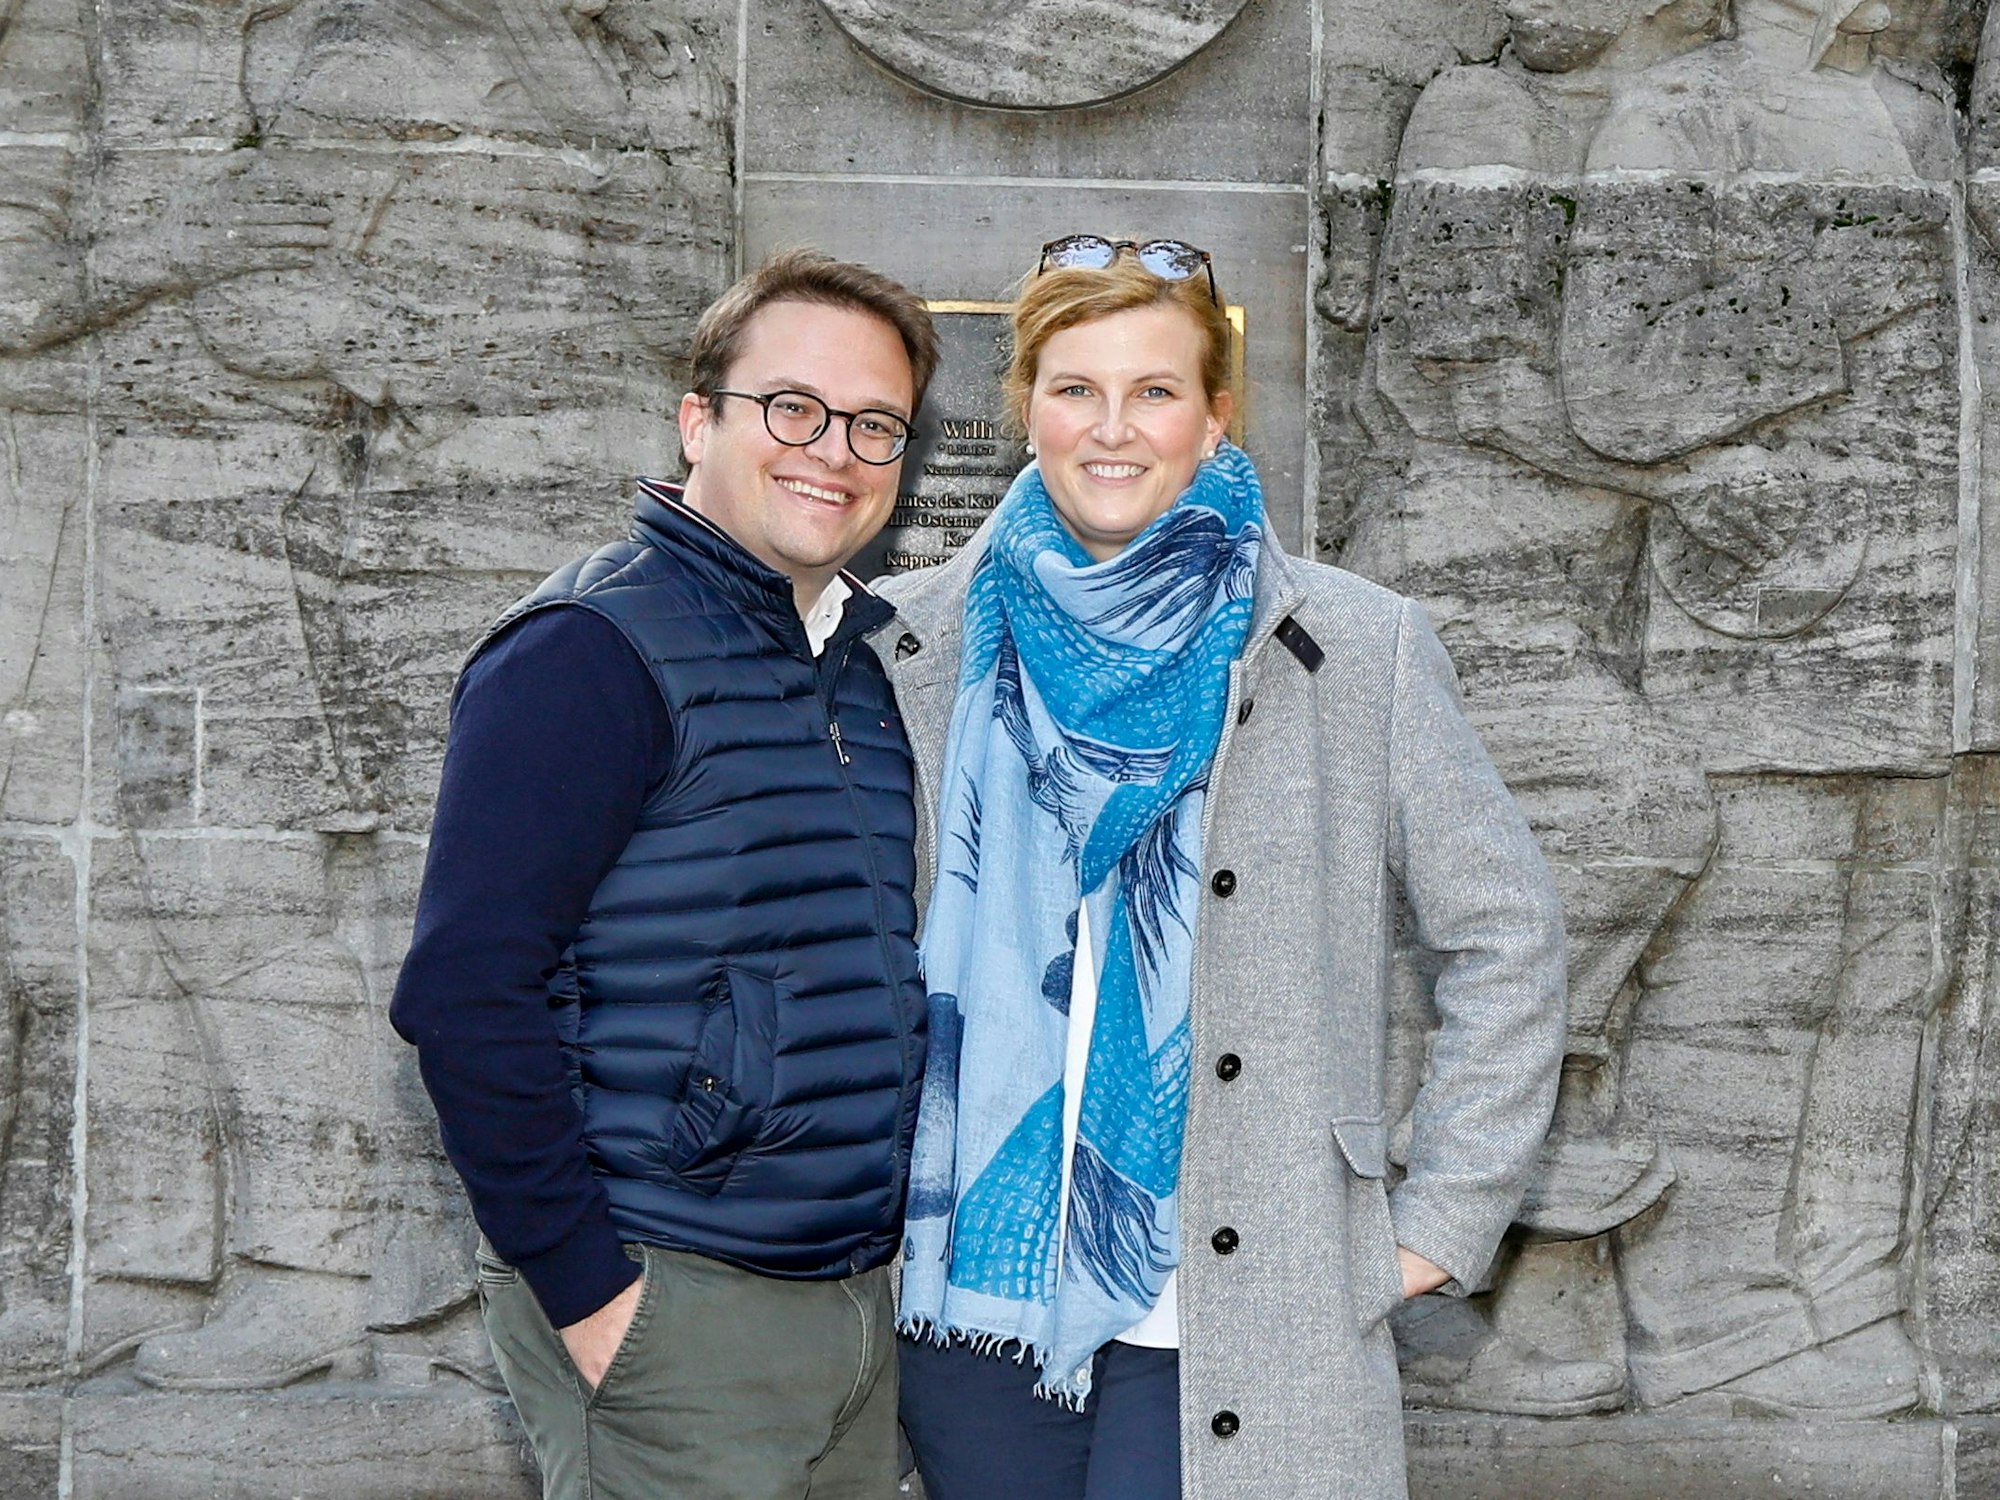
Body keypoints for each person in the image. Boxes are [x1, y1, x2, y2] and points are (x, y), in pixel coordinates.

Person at [875, 236, 1567, 1499]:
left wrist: (1437, 1223)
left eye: (1153, 391)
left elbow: (1505, 936)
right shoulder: (911, 641)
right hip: (967, 1286)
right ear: (1022, 403)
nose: (1110, 428)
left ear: (1214, 416)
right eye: (1073, 388)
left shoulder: (1355, 647)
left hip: (1241, 1288)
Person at [390, 249, 938, 1499]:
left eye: (873, 425)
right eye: (790, 408)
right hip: (674, 1301)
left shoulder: (856, 661)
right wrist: (593, 1297)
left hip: (847, 1301)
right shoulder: (588, 652)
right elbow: (464, 993)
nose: (831, 450)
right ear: (699, 421)